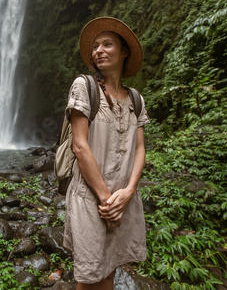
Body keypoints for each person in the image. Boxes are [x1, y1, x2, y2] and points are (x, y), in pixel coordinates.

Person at [63, 17, 150, 289]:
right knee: (90, 277)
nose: (98, 50)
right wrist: (106, 200)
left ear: (124, 52)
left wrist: (128, 192)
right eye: (95, 46)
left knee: (110, 269)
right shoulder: (84, 86)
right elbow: (79, 145)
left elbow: (139, 148)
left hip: (123, 198)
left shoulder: (135, 98)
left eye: (107, 44)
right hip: (92, 198)